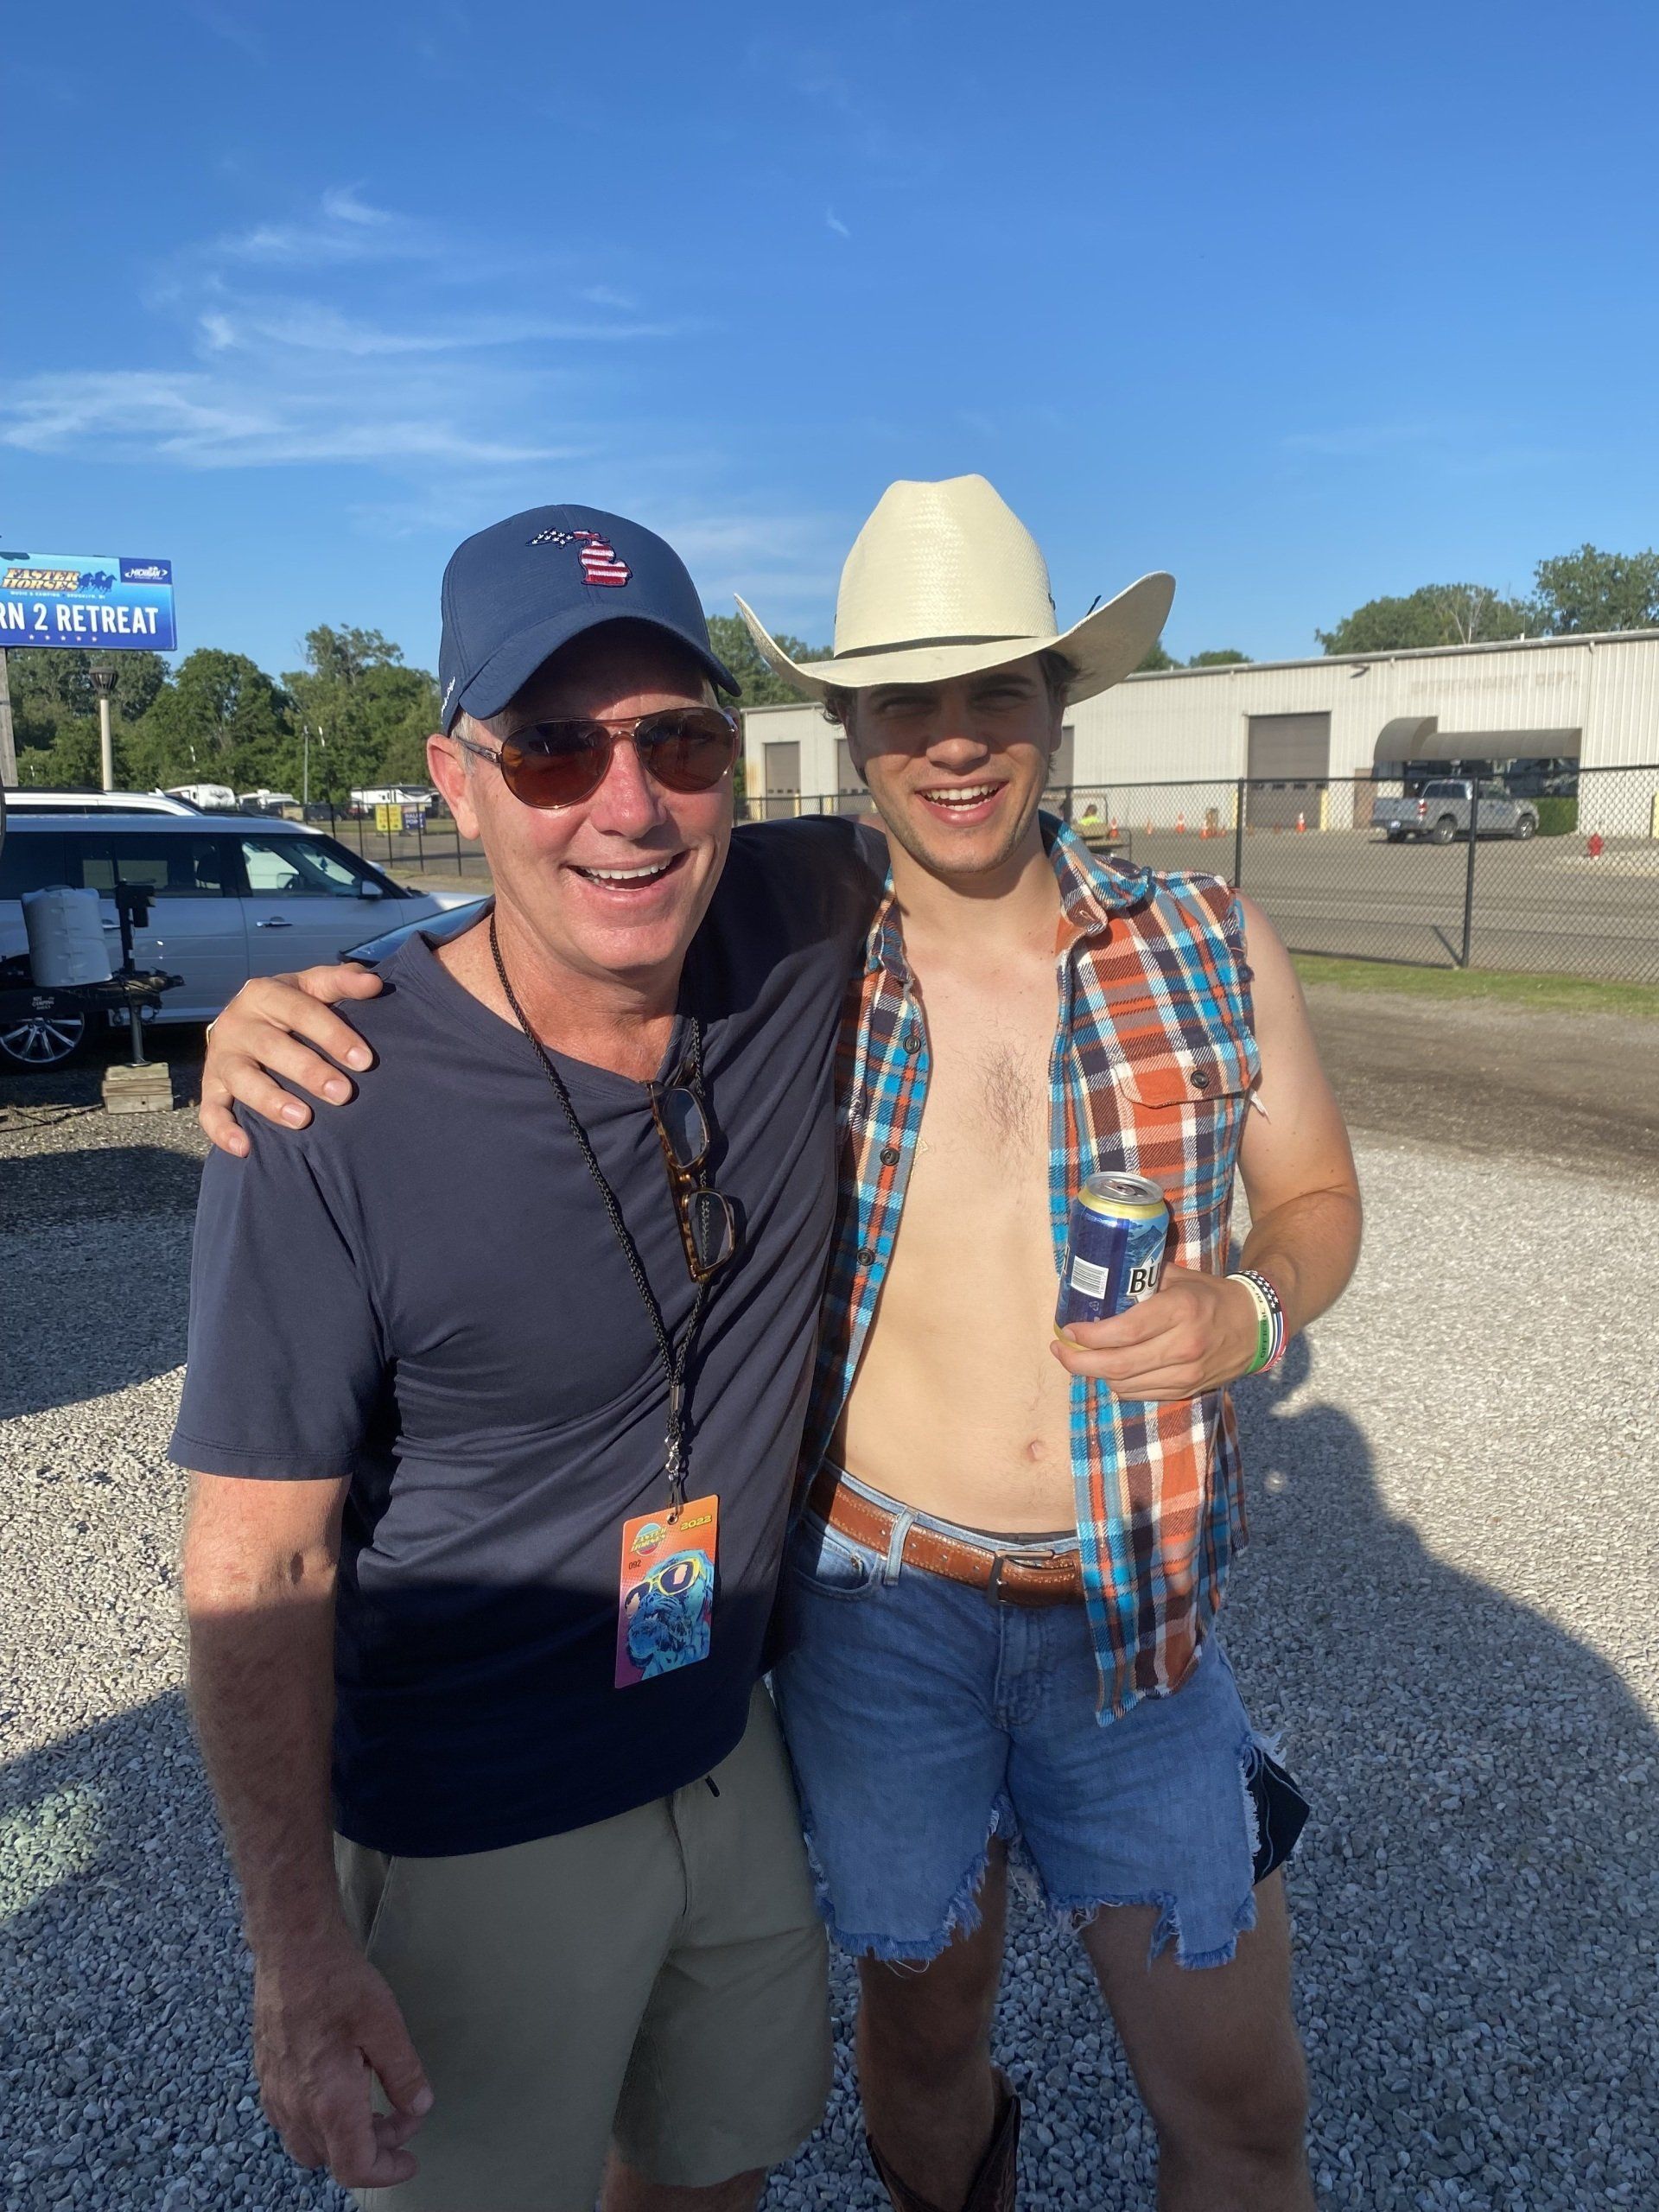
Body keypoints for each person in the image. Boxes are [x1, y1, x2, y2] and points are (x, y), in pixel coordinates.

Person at [198, 475, 1363, 2212]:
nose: (954, 740)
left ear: (1064, 703)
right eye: (906, 698)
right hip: (803, 1645)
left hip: (1052, 1635)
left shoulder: (1067, 933)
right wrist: (289, 990)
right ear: (849, 728)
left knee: (1172, 2113)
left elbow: (1319, 1193)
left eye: (998, 690)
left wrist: (1254, 1305)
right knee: (912, 2024)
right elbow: (258, 1548)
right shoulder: (739, 954)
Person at [175, 505, 882, 2212]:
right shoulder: (327, 1100)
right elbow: (257, 1556)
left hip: (727, 1752)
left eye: (680, 743)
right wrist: (294, 1942)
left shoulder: (803, 920)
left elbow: (990, 824)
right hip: (473, 1819)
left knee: (718, 2172)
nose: (626, 804)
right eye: (555, 747)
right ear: (458, 774)